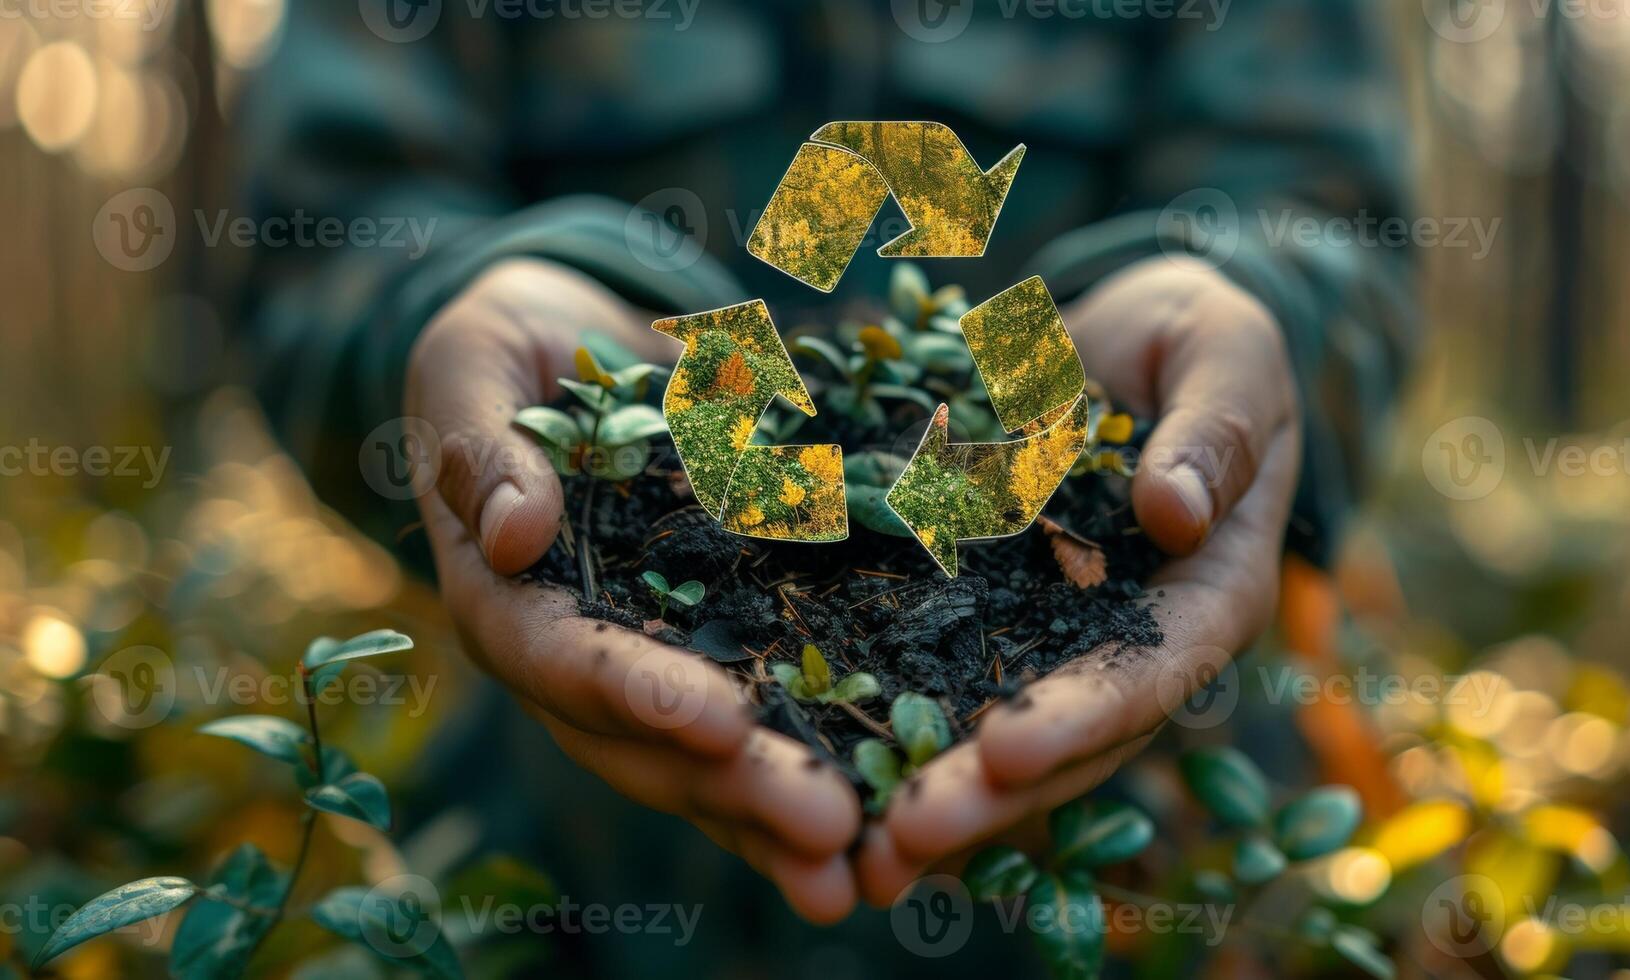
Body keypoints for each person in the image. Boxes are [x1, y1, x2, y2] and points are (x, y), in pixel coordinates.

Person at [234, 0, 1415, 970]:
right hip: (577, 867)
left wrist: (1249, 313)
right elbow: (329, 228)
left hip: (1151, 874)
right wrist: (451, 323)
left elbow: (1324, 211)